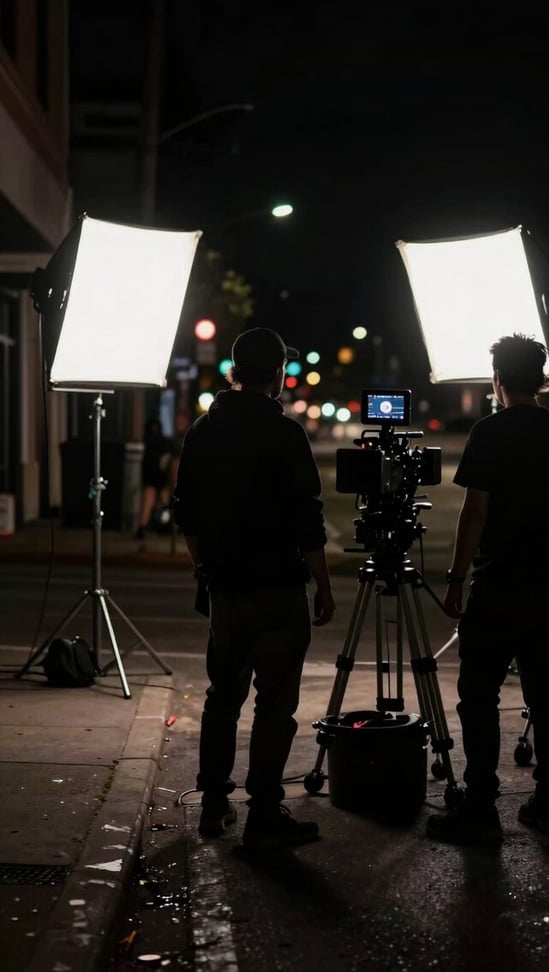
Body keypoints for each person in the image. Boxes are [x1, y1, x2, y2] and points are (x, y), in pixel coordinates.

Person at [172, 326, 336, 848]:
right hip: (278, 589)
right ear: (279, 375)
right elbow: (308, 520)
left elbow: (186, 513)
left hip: (226, 589)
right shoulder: (285, 433)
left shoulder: (204, 430)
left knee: (222, 698)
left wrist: (206, 569)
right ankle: (264, 811)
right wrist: (324, 586)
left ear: (233, 372)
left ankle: (214, 804)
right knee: (273, 706)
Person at [426, 334, 549, 845]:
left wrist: (456, 579)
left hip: (497, 582)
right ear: (539, 379)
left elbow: (476, 511)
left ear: (498, 380)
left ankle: (481, 805)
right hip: (546, 581)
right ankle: (548, 803)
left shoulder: (489, 432)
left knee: (479, 696)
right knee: (546, 694)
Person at [134, 419, 174, 540]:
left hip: (155, 474)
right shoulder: (163, 443)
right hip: (157, 474)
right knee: (157, 497)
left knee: (155, 497)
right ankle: (154, 526)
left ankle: (148, 526)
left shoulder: (151, 442)